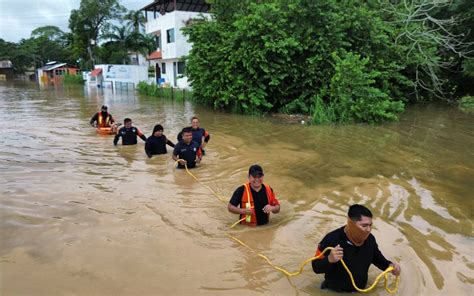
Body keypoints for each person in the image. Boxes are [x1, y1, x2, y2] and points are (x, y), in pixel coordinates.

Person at [312, 204, 401, 292]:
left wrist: (390, 266)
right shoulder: (331, 240)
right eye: (364, 225)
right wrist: (329, 259)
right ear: (350, 223)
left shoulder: (370, 239)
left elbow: (377, 259)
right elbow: (315, 267)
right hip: (334, 292)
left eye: (370, 225)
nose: (368, 229)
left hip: (360, 291)